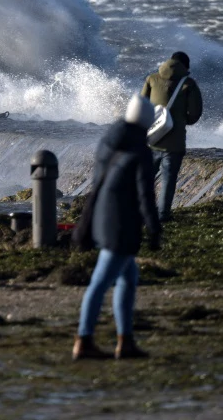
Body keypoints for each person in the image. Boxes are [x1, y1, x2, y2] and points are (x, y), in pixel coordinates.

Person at [73, 95, 162, 360]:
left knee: (128, 278)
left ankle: (126, 341)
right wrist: (154, 229)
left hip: (100, 216)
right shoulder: (140, 151)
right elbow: (145, 196)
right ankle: (84, 339)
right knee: (100, 283)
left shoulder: (109, 142)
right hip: (121, 224)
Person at [141, 51, 203, 222]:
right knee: (168, 181)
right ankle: (162, 215)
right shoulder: (188, 84)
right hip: (174, 143)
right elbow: (195, 113)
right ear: (185, 66)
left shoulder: (152, 79)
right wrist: (182, 121)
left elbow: (141, 105)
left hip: (151, 140)